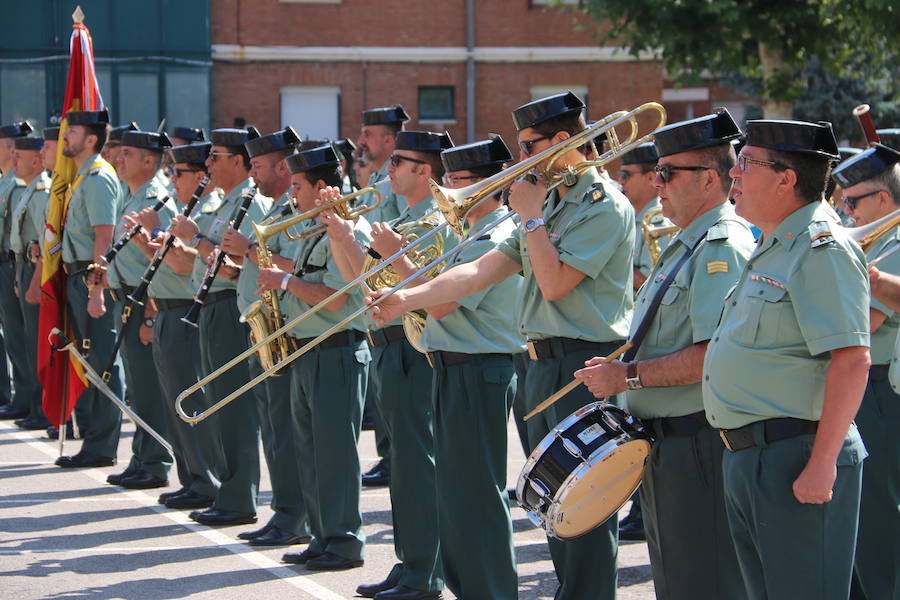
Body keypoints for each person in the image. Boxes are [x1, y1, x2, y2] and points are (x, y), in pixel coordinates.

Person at [368, 92, 634, 600]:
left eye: (530, 145)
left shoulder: (604, 205)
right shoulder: (551, 201)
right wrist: (406, 298)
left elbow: (556, 284)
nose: (520, 160)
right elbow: (474, 273)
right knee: (555, 506)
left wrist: (531, 217)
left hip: (586, 361)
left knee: (586, 507)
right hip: (540, 363)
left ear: (562, 141)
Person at [577, 109, 754, 600]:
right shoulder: (687, 242)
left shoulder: (721, 246)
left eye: (668, 173)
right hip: (670, 443)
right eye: (656, 171)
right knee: (678, 579)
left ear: (710, 179)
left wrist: (626, 378)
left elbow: (711, 357)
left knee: (705, 579)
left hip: (697, 442)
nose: (656, 183)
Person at [703, 119, 870, 600]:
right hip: (752, 456)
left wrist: (823, 463)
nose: (733, 172)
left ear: (785, 178)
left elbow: (852, 357)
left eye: (747, 162)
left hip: (795, 455)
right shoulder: (775, 243)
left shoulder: (822, 247)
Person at [326, 129, 453, 599]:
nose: (388, 168)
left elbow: (383, 285)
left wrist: (349, 239)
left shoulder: (435, 219)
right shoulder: (398, 217)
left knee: (418, 463)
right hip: (388, 344)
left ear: (424, 170)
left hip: (413, 347)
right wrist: (340, 234)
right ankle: (410, 562)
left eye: (398, 161)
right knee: (402, 463)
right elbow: (358, 283)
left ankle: (426, 572)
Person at [258, 144, 371, 571]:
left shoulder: (345, 229)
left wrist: (284, 281)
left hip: (335, 352)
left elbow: (336, 300)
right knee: (310, 453)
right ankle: (323, 536)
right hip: (308, 352)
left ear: (322, 186)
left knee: (335, 454)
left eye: (300, 186)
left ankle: (343, 541)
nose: (292, 194)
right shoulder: (311, 228)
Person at [427, 136, 521, 600]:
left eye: (455, 181)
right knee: (455, 492)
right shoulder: (467, 234)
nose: (445, 190)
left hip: (479, 368)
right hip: (453, 366)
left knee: (480, 493)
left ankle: (492, 591)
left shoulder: (499, 234)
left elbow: (443, 305)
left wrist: (396, 259)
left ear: (487, 186)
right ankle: (468, 588)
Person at [217, 126, 313, 547]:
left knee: (287, 432)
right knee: (275, 430)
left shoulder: (296, 208)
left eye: (257, 165)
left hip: (289, 330)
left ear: (281, 166)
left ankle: (295, 517)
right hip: (266, 327)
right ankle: (284, 513)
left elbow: (299, 264)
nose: (252, 173)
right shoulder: (274, 207)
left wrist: (249, 252)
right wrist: (237, 270)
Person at [169, 127, 270, 525]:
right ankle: (230, 492)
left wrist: (196, 239)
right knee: (219, 402)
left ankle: (239, 497)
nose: (207, 164)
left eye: (215, 156)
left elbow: (241, 264)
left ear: (239, 163)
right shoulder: (223, 202)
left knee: (233, 405)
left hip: (231, 307)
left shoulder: (252, 203)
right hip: (211, 306)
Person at [832, 142, 900, 600]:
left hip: (879, 391)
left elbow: (865, 320)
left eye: (852, 202)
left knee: (877, 516)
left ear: (883, 198)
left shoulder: (894, 238)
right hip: (862, 385)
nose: (846, 212)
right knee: (858, 517)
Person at [136, 141, 219, 511]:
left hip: (188, 310)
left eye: (178, 173)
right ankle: (191, 477)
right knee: (175, 402)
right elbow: (169, 261)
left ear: (200, 176)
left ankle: (206, 480)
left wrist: (157, 235)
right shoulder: (182, 208)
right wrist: (147, 243)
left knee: (191, 400)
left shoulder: (207, 210)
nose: (172, 178)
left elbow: (186, 264)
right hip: (168, 310)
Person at [98, 130, 175, 490]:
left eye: (126, 153)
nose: (117, 158)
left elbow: (162, 263)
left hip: (143, 301)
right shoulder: (132, 196)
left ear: (149, 160)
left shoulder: (156, 199)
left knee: (147, 388)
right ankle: (142, 457)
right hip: (125, 298)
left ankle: (155, 461)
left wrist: (150, 315)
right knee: (139, 390)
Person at [55, 108, 125, 468]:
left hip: (91, 279)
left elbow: (105, 237)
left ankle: (102, 446)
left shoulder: (98, 178)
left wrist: (97, 289)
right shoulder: (83, 176)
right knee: (87, 361)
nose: (66, 136)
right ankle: (92, 441)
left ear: (92, 139)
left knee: (102, 361)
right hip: (77, 277)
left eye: (73, 130)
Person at [355, 104, 411, 489]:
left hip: (395, 288)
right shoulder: (378, 179)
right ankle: (389, 455)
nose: (362, 141)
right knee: (384, 392)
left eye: (369, 134)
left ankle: (394, 458)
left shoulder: (393, 182)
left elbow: (396, 228)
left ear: (389, 140)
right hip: (379, 291)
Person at [9, 134, 51, 430]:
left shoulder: (41, 193)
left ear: (36, 160)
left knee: (38, 343)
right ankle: (35, 407)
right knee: (26, 341)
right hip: (24, 266)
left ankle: (42, 409)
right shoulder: (27, 190)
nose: (13, 161)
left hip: (35, 269)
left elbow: (43, 247)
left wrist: (34, 282)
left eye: (19, 156)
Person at [0, 121, 40, 422]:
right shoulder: (7, 182)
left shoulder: (20, 185)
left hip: (15, 262)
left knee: (23, 335)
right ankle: (21, 397)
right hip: (11, 263)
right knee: (15, 335)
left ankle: (27, 398)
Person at [617, 141, 672, 290]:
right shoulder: (632, 215)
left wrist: (607, 259)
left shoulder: (658, 220)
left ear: (650, 178)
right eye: (620, 174)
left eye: (626, 175)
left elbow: (651, 282)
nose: (620, 181)